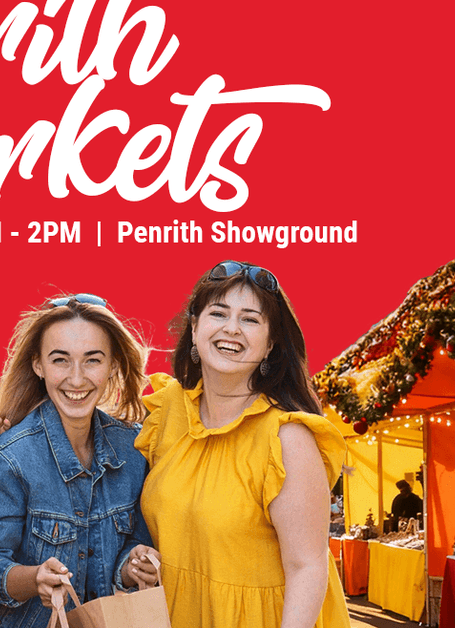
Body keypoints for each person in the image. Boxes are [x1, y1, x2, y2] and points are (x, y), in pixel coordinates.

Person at [135, 261, 350, 628]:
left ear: (270, 345)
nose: (231, 328)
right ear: (195, 325)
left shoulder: (287, 438)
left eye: (250, 319)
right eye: (218, 313)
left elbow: (308, 569)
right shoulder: (165, 411)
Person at [0, 294, 160, 628]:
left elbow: (129, 545)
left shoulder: (134, 449)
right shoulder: (9, 460)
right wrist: (32, 578)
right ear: (38, 365)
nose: (77, 378)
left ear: (113, 365)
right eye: (60, 360)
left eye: (93, 360)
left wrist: (133, 565)